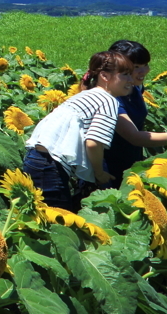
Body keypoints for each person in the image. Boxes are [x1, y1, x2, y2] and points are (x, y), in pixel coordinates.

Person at [22, 51, 133, 211]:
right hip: (50, 165)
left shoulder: (85, 95)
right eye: (125, 75)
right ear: (105, 76)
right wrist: (99, 173)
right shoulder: (108, 101)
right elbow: (94, 143)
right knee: (59, 223)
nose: (131, 80)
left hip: (36, 159)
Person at [103, 40, 167, 185]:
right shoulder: (111, 98)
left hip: (132, 157)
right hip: (109, 165)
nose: (144, 71)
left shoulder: (134, 87)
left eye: (145, 65)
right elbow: (134, 136)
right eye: (136, 67)